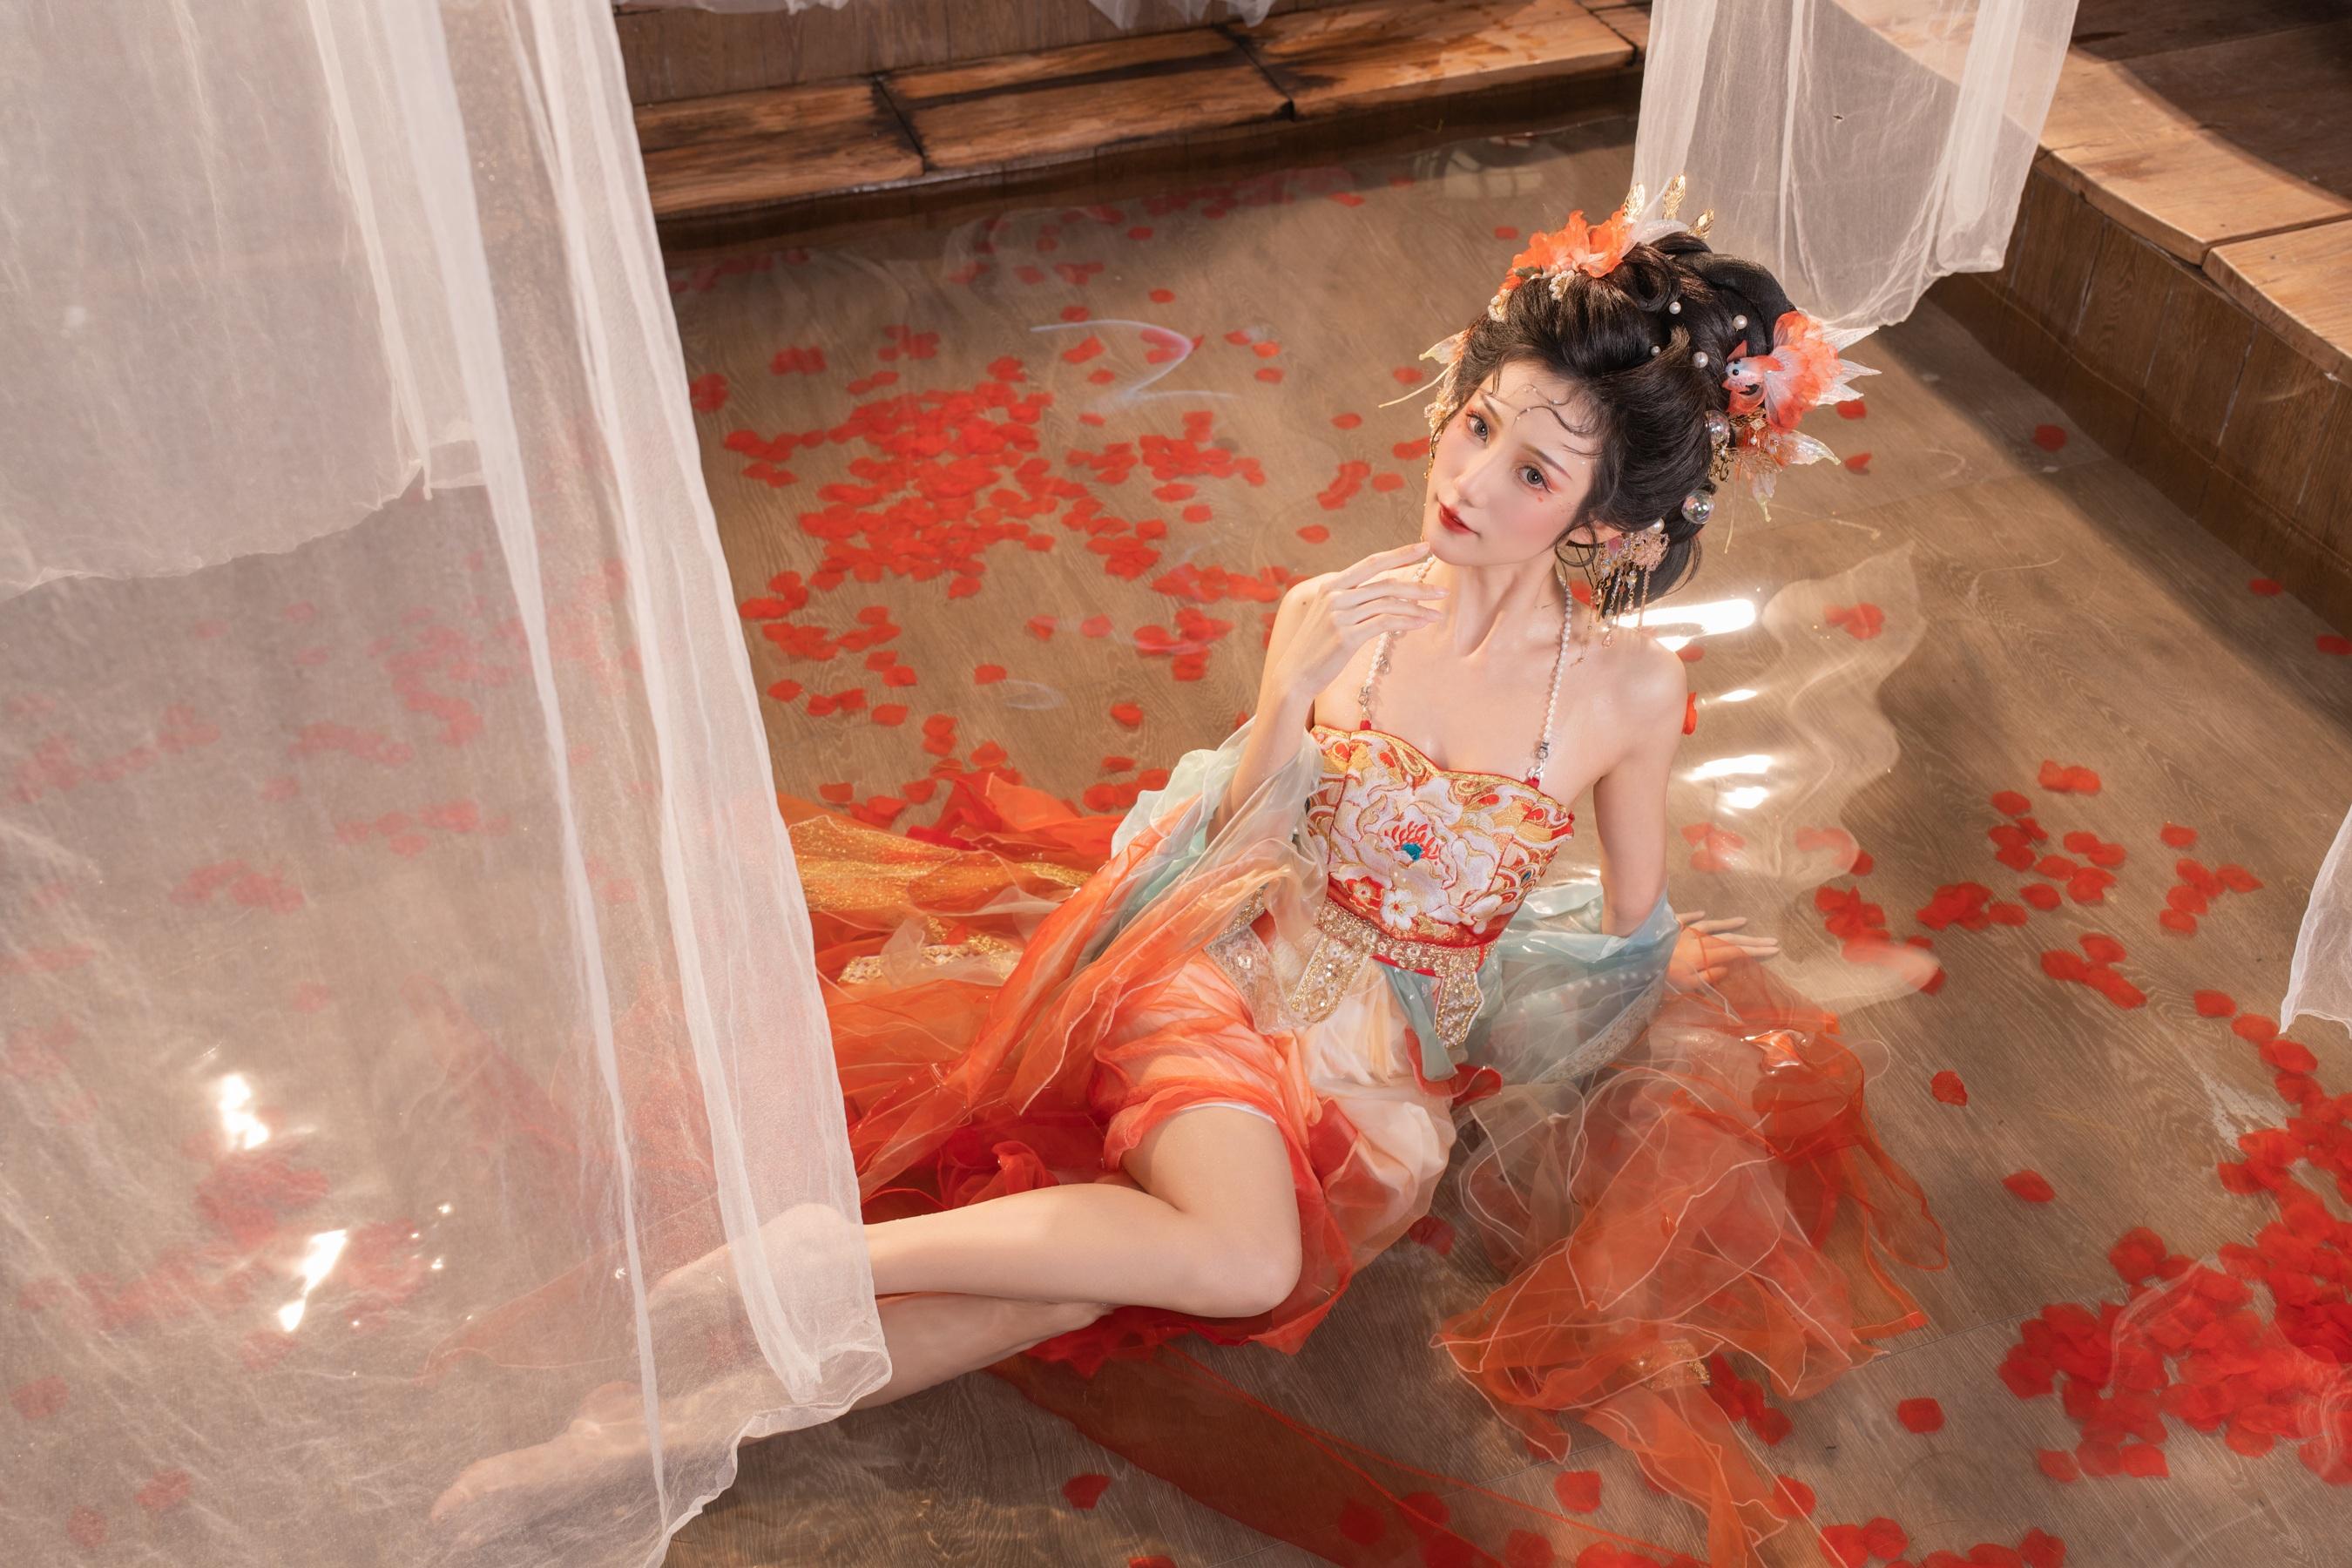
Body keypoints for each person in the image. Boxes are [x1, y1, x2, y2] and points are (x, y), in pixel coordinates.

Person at [434, 180, 1946, 1568]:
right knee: (1233, 1254)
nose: (1470, 477)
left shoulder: (1628, 693)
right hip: (1222, 969)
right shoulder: (1337, 610)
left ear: (1606, 522)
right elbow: (1237, 851)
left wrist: (1656, 972)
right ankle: (822, 1265)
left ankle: (637, 1439)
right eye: (1478, 422)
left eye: (1533, 468)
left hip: (1380, 1077)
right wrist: (1287, 700)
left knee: (1098, 1270)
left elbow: (1624, 917)